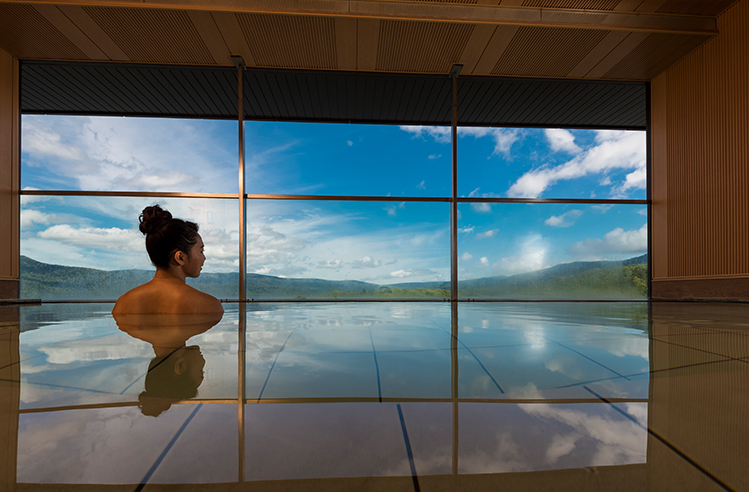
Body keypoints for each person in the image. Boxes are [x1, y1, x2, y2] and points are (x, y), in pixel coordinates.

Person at [112, 205, 224, 314]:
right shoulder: (209, 306)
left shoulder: (122, 304)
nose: (204, 258)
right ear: (180, 257)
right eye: (201, 251)